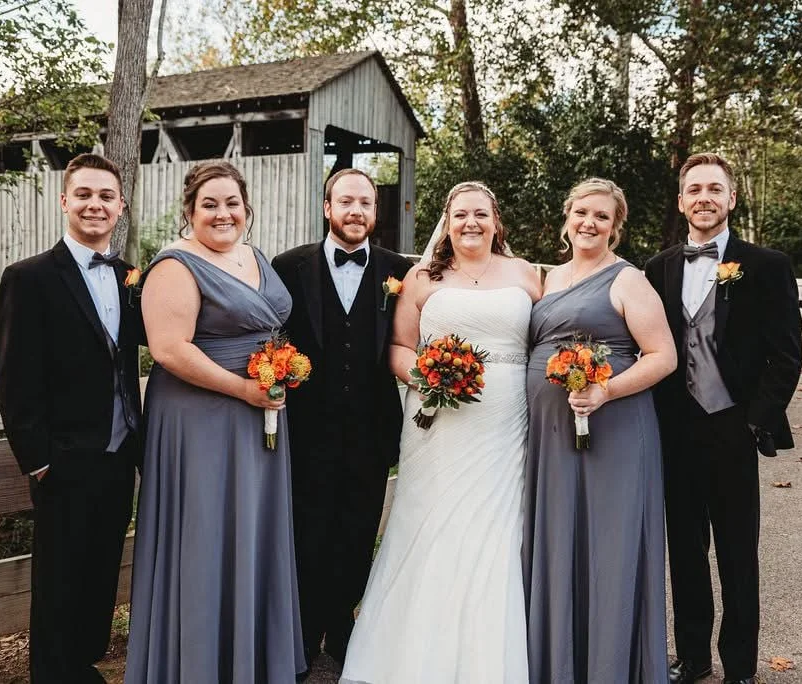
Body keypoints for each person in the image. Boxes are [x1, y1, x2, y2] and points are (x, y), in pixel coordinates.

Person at [339, 181, 541, 684]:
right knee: (429, 522)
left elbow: (551, 332)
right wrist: (430, 378)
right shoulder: (423, 277)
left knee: (497, 529)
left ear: (497, 221)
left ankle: (488, 657)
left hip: (506, 419)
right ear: (446, 223)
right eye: (459, 215)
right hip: (437, 418)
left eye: (480, 214)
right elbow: (400, 348)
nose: (470, 223)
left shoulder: (527, 274)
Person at [124, 161, 305, 683]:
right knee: (205, 533)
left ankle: (251, 658)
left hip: (258, 415)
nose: (223, 214)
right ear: (190, 212)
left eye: (232, 204)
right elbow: (168, 349)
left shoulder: (254, 256)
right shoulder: (175, 266)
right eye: (210, 205)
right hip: (200, 418)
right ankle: (200, 664)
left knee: (252, 527)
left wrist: (273, 380)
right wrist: (245, 390)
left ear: (247, 210)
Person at [644, 153, 802, 684]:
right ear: (681, 200)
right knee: (685, 552)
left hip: (733, 427)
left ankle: (739, 666)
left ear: (732, 199)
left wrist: (756, 420)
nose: (704, 198)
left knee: (738, 554)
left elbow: (786, 354)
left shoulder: (767, 265)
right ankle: (692, 658)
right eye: (694, 189)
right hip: (674, 432)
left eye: (715, 189)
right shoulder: (658, 268)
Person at [0, 153, 142, 683]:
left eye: (106, 196)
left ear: (120, 207)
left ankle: (82, 666)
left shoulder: (129, 278)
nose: (95, 204)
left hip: (121, 455)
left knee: (101, 572)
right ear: (65, 201)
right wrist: (39, 462)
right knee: (58, 581)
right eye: (84, 194)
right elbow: (13, 378)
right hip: (64, 460)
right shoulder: (28, 278)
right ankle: (54, 674)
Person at [522, 178, 676, 683]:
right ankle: (558, 663)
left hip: (613, 434)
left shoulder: (628, 280)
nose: (590, 223)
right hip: (551, 437)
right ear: (566, 217)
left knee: (608, 546)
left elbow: (663, 357)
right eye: (582, 212)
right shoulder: (548, 278)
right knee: (559, 540)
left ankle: (608, 666)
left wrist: (606, 389)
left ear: (616, 228)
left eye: (602, 217)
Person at [271, 168, 412, 676]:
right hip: (305, 429)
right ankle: (305, 633)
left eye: (366, 204)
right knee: (307, 531)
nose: (356, 211)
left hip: (371, 431)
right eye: (345, 201)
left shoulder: (401, 272)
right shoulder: (288, 267)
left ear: (376, 213)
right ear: (327, 208)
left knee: (358, 530)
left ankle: (344, 623)